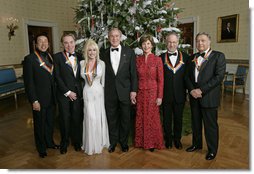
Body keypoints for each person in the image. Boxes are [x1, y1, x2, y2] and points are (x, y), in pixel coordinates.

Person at [185, 32, 226, 160]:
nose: (200, 43)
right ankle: (196, 145)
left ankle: (212, 150)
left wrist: (201, 90)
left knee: (210, 125)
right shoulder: (193, 57)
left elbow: (218, 77)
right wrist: (192, 90)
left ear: (209, 41)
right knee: (195, 123)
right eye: (197, 41)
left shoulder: (218, 56)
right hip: (194, 96)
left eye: (203, 40)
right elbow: (187, 76)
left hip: (208, 96)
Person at [101, 28, 138, 153]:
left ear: (120, 37)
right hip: (109, 92)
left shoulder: (129, 52)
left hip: (125, 92)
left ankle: (123, 142)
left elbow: (133, 74)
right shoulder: (103, 53)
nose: (114, 38)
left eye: (117, 36)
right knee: (111, 118)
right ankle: (112, 142)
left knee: (125, 118)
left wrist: (133, 91)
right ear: (108, 37)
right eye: (112, 36)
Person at [23, 33, 59, 158]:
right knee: (39, 124)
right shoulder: (30, 59)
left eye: (45, 41)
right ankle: (41, 147)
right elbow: (29, 83)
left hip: (52, 98)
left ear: (48, 44)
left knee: (50, 123)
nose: (43, 44)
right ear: (36, 44)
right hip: (39, 99)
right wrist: (34, 100)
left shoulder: (51, 57)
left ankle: (50, 142)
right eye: (40, 41)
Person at [54, 33, 83, 154]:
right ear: (62, 44)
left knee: (77, 118)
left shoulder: (81, 56)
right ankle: (64, 143)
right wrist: (67, 92)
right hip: (64, 94)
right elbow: (57, 77)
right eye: (66, 43)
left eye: (71, 42)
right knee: (65, 119)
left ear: (75, 42)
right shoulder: (57, 57)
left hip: (77, 94)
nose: (69, 45)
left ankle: (77, 142)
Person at [134, 34, 164, 152]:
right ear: (141, 45)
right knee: (141, 117)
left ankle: (152, 143)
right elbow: (135, 78)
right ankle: (141, 142)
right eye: (143, 43)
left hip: (153, 93)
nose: (146, 46)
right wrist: (134, 93)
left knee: (152, 118)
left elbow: (161, 80)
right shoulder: (137, 59)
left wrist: (160, 96)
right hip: (140, 92)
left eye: (148, 43)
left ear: (152, 45)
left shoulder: (157, 60)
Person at [80, 39, 110, 155]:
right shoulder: (82, 63)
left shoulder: (102, 63)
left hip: (98, 93)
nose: (92, 52)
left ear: (97, 51)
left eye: (94, 50)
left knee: (99, 117)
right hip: (87, 92)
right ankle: (90, 144)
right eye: (89, 50)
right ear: (86, 51)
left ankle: (100, 142)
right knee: (90, 117)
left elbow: (104, 82)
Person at [160, 32, 189, 150]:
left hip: (180, 94)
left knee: (178, 118)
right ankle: (168, 139)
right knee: (166, 119)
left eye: (174, 42)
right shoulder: (160, 58)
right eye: (169, 42)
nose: (172, 44)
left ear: (178, 43)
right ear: (166, 43)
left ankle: (177, 139)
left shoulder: (186, 57)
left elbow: (188, 76)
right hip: (165, 95)